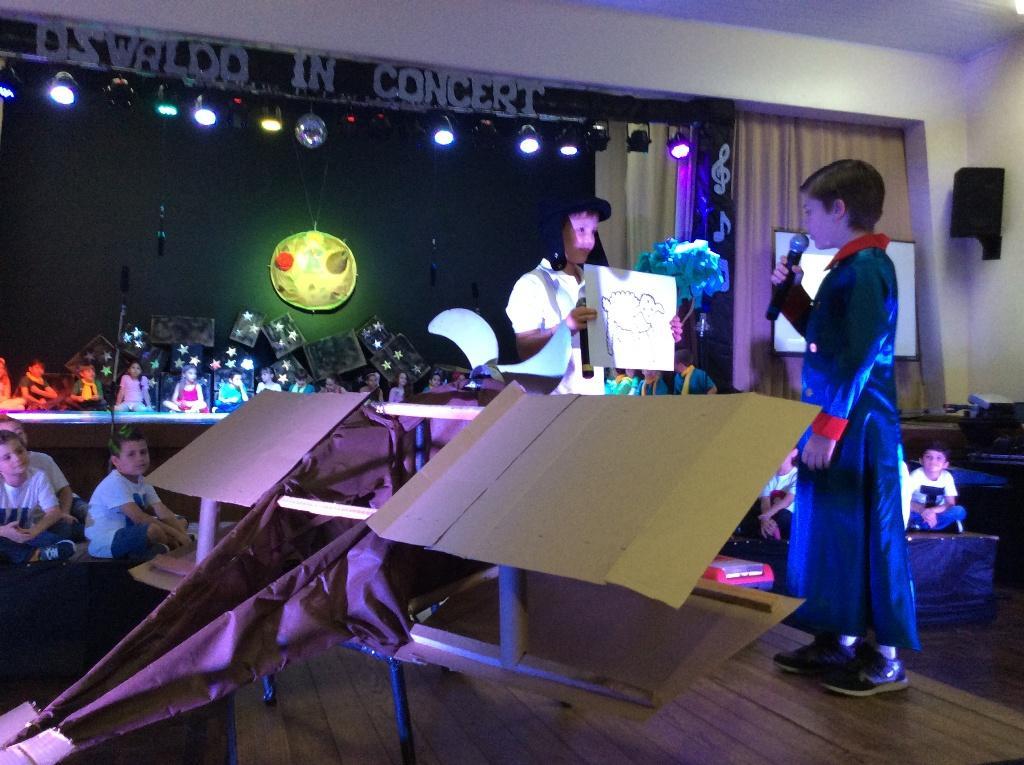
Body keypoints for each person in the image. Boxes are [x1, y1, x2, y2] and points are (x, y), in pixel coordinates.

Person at [769, 159, 917, 696]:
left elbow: (858, 354)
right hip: (839, 419)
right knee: (835, 532)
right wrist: (791, 294)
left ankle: (887, 656)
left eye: (810, 211)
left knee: (870, 533)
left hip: (859, 425)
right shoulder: (849, 267)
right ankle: (839, 637)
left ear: (839, 209)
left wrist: (828, 427)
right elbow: (826, 336)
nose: (806, 222)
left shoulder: (869, 268)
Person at [85, 427, 191, 561]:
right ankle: (166, 546)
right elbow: (140, 518)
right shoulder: (115, 483)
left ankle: (161, 547)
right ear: (116, 461)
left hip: (130, 531)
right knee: (153, 530)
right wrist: (178, 535)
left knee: (181, 521)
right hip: (106, 541)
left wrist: (182, 534)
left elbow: (161, 510)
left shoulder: (141, 480)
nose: (140, 458)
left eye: (143, 452)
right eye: (131, 454)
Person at [0, 430, 75, 563]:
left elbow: (53, 512)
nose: (17, 458)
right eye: (7, 457)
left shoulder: (38, 477)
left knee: (67, 545)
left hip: (26, 534)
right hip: (2, 537)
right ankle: (31, 556)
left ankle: (28, 556)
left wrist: (33, 531)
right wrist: (4, 532)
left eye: (19, 451)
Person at [0, 414, 84, 530]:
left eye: (19, 433)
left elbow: (64, 490)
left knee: (87, 513)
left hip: (61, 505)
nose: (15, 438)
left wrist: (65, 512)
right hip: (35, 520)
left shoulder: (42, 460)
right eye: (7, 435)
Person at [906, 442, 967, 532]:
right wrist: (923, 511)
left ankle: (922, 526)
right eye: (928, 457)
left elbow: (950, 503)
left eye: (939, 458)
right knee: (903, 512)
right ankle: (939, 526)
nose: (933, 461)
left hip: (937, 512)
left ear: (945, 464)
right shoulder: (915, 475)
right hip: (918, 511)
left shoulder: (947, 477)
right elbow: (904, 500)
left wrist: (931, 511)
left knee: (959, 511)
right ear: (921, 461)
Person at [757, 448, 798, 540]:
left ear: (794, 453)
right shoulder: (769, 476)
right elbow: (765, 501)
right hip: (772, 517)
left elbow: (787, 501)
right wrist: (766, 520)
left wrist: (766, 516)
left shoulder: (797, 476)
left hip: (790, 519)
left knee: (783, 514)